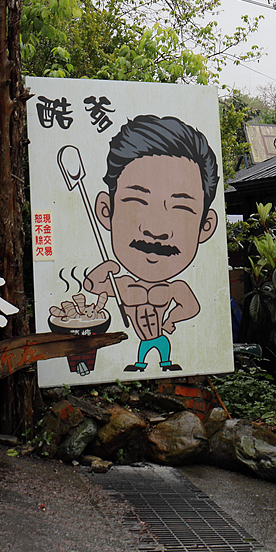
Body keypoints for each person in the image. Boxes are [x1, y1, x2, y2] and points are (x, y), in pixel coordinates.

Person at [84, 115, 220, 372]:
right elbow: (92, 285)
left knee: (161, 348)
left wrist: (170, 319)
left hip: (159, 333)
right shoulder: (122, 285)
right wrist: (105, 269)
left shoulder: (174, 289)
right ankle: (141, 364)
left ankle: (164, 363)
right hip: (139, 337)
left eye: (181, 207)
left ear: (205, 226)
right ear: (105, 211)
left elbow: (191, 307)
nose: (156, 230)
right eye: (137, 201)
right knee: (144, 351)